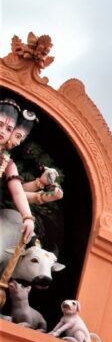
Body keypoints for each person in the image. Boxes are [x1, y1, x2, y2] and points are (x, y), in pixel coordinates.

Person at [5, 112, 62, 206]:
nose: (18, 143)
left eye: (21, 139)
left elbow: (16, 192)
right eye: (18, 136)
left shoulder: (8, 163)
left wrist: (42, 185)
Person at [0, 99, 36, 243]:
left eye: (9, 129)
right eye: (0, 124)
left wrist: (28, 217)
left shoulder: (7, 163)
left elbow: (17, 191)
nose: (2, 131)